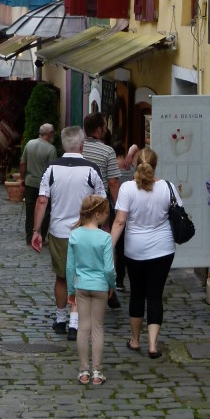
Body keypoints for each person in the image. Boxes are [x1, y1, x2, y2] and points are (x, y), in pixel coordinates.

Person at [31, 126, 106, 341]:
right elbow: (102, 202)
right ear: (82, 145)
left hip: (59, 231)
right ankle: (75, 322)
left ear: (63, 144)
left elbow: (42, 200)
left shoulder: (52, 169)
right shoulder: (92, 170)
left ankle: (61, 318)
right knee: (81, 276)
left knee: (62, 276)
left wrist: (37, 230)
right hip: (86, 231)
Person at [110, 147, 179, 359]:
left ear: (135, 163)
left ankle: (135, 340)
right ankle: (152, 345)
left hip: (135, 249)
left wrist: (108, 247)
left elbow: (120, 220)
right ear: (155, 165)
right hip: (163, 248)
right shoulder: (168, 187)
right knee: (155, 294)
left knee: (137, 293)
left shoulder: (127, 189)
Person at [66, 194, 116, 386]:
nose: (106, 217)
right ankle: (97, 371)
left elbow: (70, 267)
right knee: (97, 328)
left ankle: (83, 370)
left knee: (83, 327)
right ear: (97, 214)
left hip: (82, 286)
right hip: (100, 286)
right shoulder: (104, 238)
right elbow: (109, 269)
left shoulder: (75, 235)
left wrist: (71, 288)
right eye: (105, 214)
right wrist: (111, 285)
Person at [82, 112, 122, 309]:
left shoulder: (78, 149)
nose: (106, 130)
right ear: (99, 130)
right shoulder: (107, 151)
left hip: (81, 205)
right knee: (107, 246)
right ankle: (108, 287)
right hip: (101, 206)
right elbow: (113, 182)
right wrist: (119, 206)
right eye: (105, 127)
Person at [19, 123, 57, 245]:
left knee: (30, 210)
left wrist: (22, 179)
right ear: (50, 133)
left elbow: (23, 163)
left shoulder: (29, 144)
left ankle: (29, 236)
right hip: (43, 185)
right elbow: (52, 170)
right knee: (45, 210)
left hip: (30, 182)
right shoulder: (51, 149)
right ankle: (41, 235)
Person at [112, 141, 139, 290]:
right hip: (132, 213)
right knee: (128, 247)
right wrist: (130, 153)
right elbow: (136, 146)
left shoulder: (112, 169)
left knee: (119, 248)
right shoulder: (132, 168)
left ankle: (119, 279)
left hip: (117, 213)